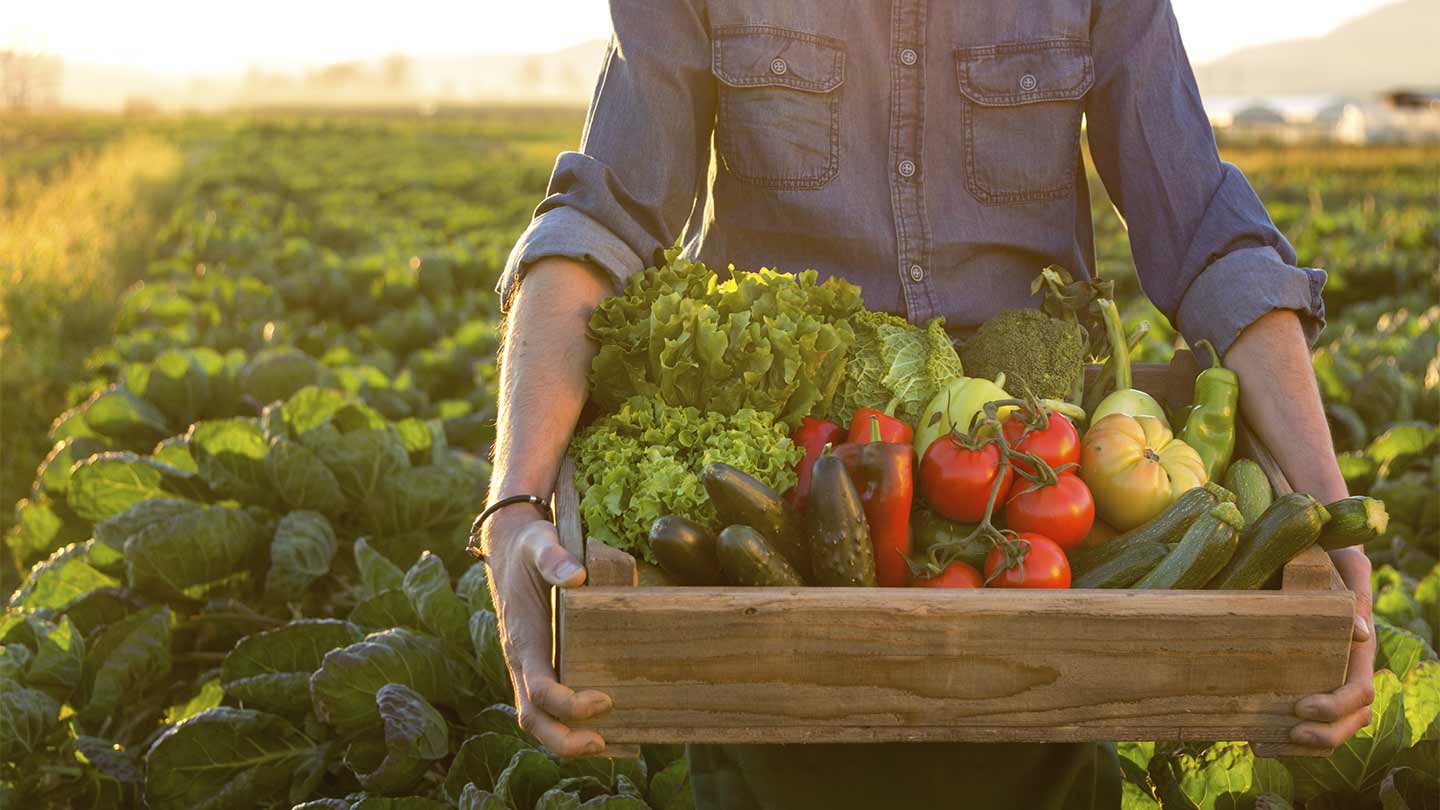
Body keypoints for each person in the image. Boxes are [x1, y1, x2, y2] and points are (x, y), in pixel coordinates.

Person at [474, 1, 1376, 807]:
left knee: (1037, 765)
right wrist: (514, 503)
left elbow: (1209, 235)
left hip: (1032, 498)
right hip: (786, 510)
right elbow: (597, 224)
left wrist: (1328, 518)